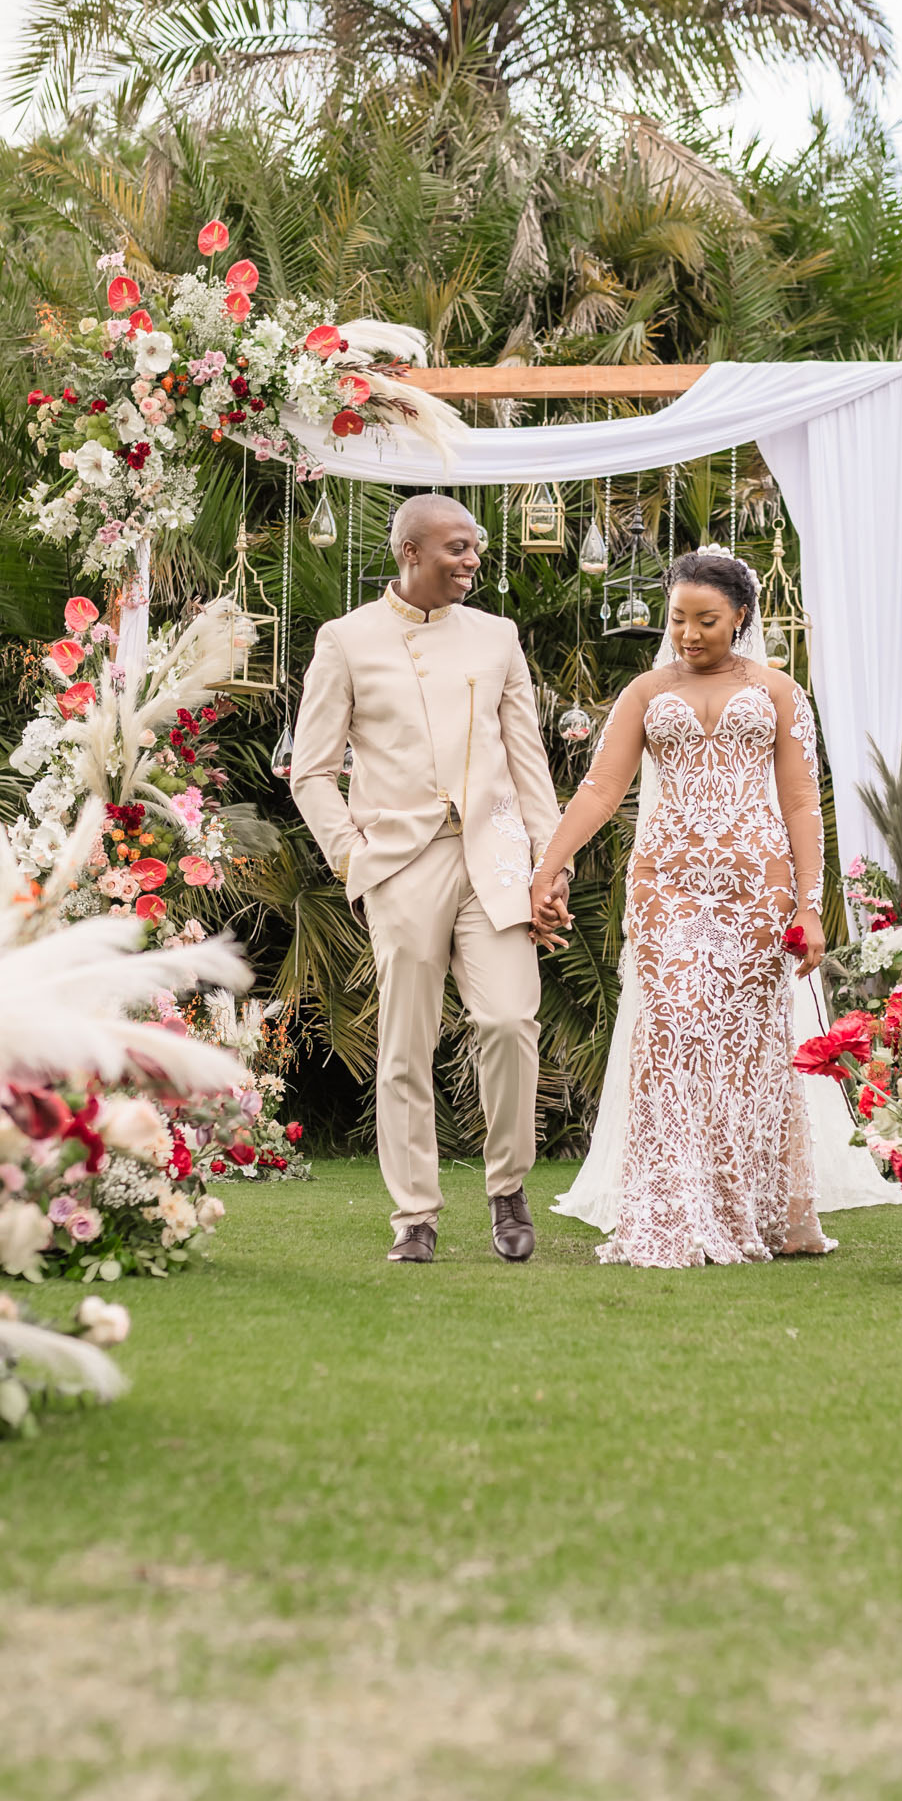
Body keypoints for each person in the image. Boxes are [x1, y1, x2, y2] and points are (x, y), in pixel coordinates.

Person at [530, 550, 834, 1269]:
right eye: (678, 620)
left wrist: (811, 905)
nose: (689, 635)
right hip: (665, 881)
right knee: (669, 1033)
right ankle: (669, 1210)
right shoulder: (645, 691)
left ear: (741, 617)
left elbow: (800, 801)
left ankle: (747, 1209)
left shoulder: (779, 691)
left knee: (744, 1049)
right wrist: (549, 866)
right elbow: (601, 788)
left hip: (757, 888)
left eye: (707, 621)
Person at [290, 493, 564, 1264]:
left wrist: (549, 865)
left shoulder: (497, 636)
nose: (471, 559)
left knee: (508, 1021)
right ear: (409, 552)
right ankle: (414, 1215)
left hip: (495, 857)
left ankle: (507, 1187)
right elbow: (310, 772)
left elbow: (527, 761)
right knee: (405, 1046)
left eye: (473, 546)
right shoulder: (346, 640)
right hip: (399, 863)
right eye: (455, 548)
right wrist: (352, 857)